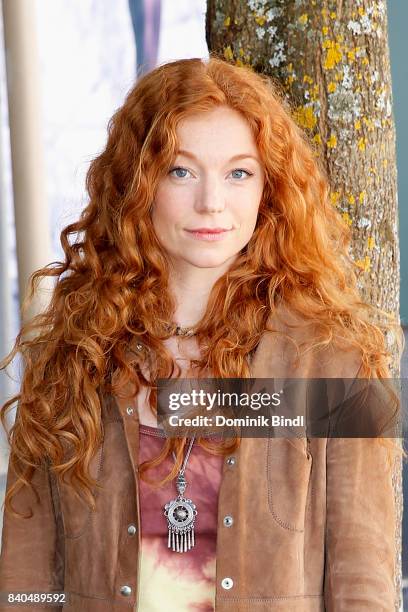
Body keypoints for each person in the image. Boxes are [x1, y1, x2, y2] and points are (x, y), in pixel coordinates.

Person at [0, 55, 404, 611]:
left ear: (270, 189)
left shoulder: (333, 358)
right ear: (137, 184)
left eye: (240, 172)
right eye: (181, 170)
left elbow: (364, 581)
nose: (212, 202)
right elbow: (25, 577)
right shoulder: (73, 350)